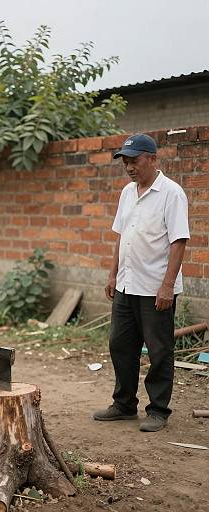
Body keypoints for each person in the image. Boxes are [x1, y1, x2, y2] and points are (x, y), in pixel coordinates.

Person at [93, 133, 190, 432]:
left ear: (152, 158)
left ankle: (158, 410)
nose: (130, 167)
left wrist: (167, 285)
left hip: (154, 288)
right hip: (126, 284)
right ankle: (124, 404)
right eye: (125, 162)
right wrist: (112, 274)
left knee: (159, 350)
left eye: (134, 161)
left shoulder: (172, 194)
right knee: (119, 345)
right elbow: (122, 235)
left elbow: (179, 241)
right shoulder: (127, 192)